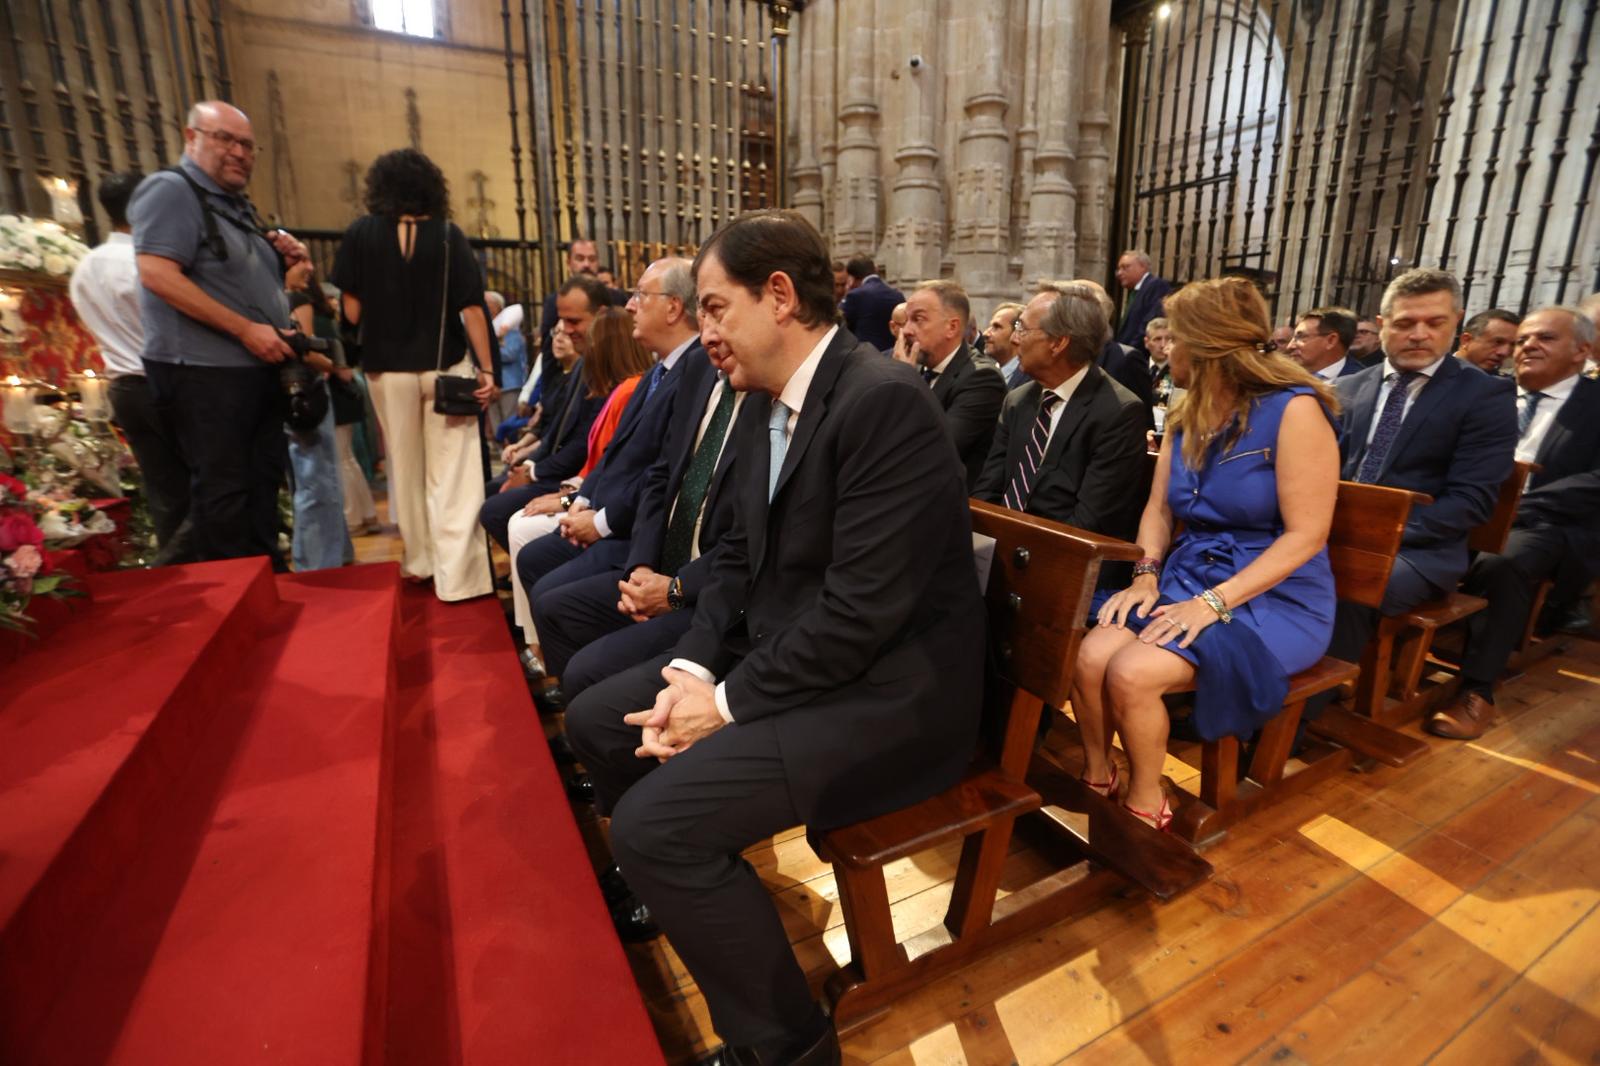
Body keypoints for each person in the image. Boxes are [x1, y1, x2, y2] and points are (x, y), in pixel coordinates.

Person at [564, 209, 982, 1066]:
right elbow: (735, 562)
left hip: (894, 698)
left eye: (715, 308)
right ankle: (669, 893)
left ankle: (787, 1048)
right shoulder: (765, 402)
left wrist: (720, 703)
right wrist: (691, 666)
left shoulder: (885, 403)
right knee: (600, 716)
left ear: (780, 297)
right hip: (813, 662)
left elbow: (863, 615)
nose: (704, 327)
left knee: (655, 830)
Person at [1074, 277, 1341, 831]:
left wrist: (1212, 604)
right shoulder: (1185, 409)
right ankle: (1099, 773)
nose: (1166, 348)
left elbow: (1306, 536)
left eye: (1175, 338)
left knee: (1132, 672)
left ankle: (1148, 799)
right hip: (1189, 575)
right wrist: (1145, 575)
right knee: (1091, 655)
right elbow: (1159, 511)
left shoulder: (1295, 411)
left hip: (1274, 595)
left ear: (1209, 344)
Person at [1318, 269, 1517, 699]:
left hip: (1420, 550)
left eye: (1435, 323)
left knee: (1347, 581)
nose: (1419, 335)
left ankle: (1290, 725)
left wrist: (1374, 537)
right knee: (1259, 560)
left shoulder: (1485, 397)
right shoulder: (1350, 386)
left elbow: (1471, 502)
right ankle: (1245, 686)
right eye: (1406, 323)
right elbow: (1320, 470)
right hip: (1330, 531)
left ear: (1457, 323)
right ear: (1383, 322)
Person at [129, 101, 310, 568]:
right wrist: (247, 330)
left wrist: (285, 265)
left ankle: (266, 589)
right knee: (225, 497)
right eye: (224, 139)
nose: (239, 152)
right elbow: (156, 274)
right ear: (191, 137)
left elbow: (244, 284)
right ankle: (237, 602)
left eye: (247, 145)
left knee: (262, 487)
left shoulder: (234, 208)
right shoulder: (172, 190)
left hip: (251, 371)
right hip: (205, 373)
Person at [534, 330, 747, 703]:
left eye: (720, 307)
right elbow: (660, 472)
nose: (709, 330)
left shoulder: (764, 386)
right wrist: (643, 566)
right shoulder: (696, 367)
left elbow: (750, 533)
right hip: (656, 557)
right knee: (555, 607)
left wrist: (677, 588)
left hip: (711, 586)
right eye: (705, 310)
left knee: (587, 679)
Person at [508, 259, 699, 671]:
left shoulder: (693, 371)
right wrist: (581, 499)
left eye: (640, 295)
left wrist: (600, 521)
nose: (630, 305)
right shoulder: (657, 371)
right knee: (535, 561)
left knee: (552, 594)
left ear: (672, 308)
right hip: (615, 516)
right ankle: (559, 665)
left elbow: (660, 473)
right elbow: (612, 454)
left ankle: (567, 672)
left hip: (634, 531)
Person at [331, 147, 496, 601]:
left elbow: (351, 308)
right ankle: (460, 579)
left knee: (405, 469)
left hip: (389, 370)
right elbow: (472, 309)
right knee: (455, 475)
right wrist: (485, 368)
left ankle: (419, 561)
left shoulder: (361, 233)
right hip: (445, 366)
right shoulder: (448, 235)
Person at [1425, 307, 1598, 739]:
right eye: (1521, 340)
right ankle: (1376, 657)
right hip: (1467, 508)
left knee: (1503, 562)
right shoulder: (1487, 393)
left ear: (1582, 351)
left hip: (1546, 520)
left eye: (1544, 338)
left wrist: (1521, 503)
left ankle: (1477, 688)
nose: (1527, 347)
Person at [70, 171, 195, 566]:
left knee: (163, 490)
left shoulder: (85, 266)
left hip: (123, 388)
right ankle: (197, 566)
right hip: (165, 380)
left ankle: (180, 578)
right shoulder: (146, 263)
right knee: (206, 484)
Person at [973, 280, 1148, 548]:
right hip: (999, 548)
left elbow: (1090, 523)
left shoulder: (1119, 412)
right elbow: (988, 490)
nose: (1014, 338)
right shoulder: (1018, 400)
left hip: (1062, 561)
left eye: (1022, 328)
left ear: (1058, 343)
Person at [478, 277, 612, 553]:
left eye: (574, 322)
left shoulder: (611, 377)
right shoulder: (580, 368)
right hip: (578, 483)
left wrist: (560, 492)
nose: (564, 330)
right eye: (561, 322)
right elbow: (555, 432)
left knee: (506, 518)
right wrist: (528, 467)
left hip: (582, 486)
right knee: (498, 501)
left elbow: (589, 451)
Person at [895, 279, 1007, 489]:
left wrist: (905, 383)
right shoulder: (917, 368)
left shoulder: (982, 378)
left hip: (951, 502)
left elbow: (934, 451)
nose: (907, 330)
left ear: (952, 327)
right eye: (906, 321)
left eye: (918, 319)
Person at [283, 259, 352, 570]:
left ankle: (331, 555)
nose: (309, 266)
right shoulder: (297, 301)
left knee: (313, 477)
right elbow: (308, 353)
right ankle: (318, 563)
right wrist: (334, 367)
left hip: (290, 393)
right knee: (317, 479)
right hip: (307, 393)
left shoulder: (273, 300)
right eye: (299, 260)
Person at [536, 239, 629, 362]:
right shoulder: (554, 302)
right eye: (580, 259)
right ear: (569, 263)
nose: (586, 264)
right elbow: (548, 354)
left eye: (592, 259)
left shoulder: (617, 298)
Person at [1113, 249, 1174, 353]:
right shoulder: (1136, 291)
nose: (1119, 273)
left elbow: (1149, 326)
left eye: (1125, 267)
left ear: (1143, 266)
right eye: (1118, 269)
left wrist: (1128, 352)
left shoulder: (1156, 286)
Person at [839, 254, 904, 352]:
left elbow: (836, 321)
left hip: (864, 359)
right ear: (875, 270)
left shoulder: (855, 295)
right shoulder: (897, 295)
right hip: (893, 357)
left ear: (851, 278)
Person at [1284, 306, 1364, 380]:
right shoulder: (1282, 377)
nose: (1290, 346)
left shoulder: (1363, 384)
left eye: (1301, 337)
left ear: (1331, 341)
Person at [1453, 308, 1520, 375]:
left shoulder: (1504, 383)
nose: (1504, 352)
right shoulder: (1442, 370)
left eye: (1512, 345)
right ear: (1466, 340)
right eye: (1498, 342)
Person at [983, 302, 1028, 389]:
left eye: (996, 327)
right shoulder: (987, 373)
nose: (986, 334)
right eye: (990, 326)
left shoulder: (1029, 378)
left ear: (1017, 333)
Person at [1146, 315, 1175, 405]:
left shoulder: (1177, 372)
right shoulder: (1138, 368)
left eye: (1168, 339)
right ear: (1147, 342)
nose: (1163, 345)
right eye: (1157, 339)